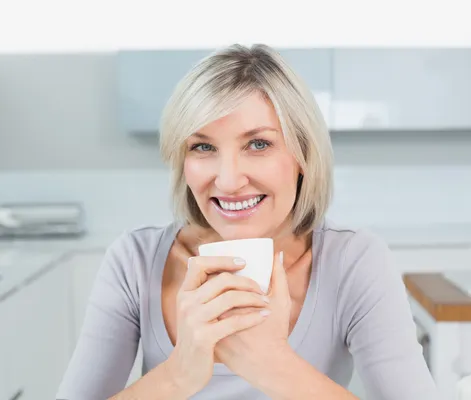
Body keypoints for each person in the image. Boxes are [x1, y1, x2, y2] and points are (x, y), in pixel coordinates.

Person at [56, 44, 439, 400]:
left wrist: (274, 364)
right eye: (202, 147)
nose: (228, 180)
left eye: (258, 144)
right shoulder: (134, 262)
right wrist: (178, 374)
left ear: (302, 154)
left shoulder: (353, 260)